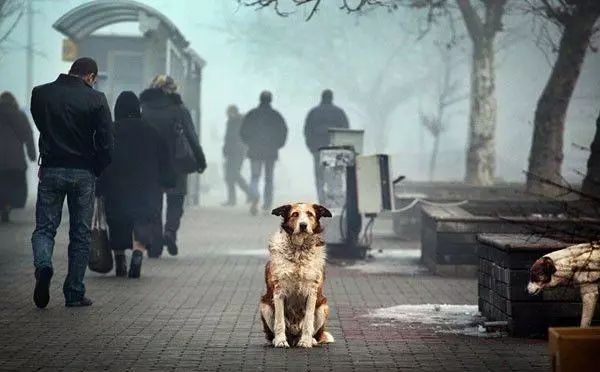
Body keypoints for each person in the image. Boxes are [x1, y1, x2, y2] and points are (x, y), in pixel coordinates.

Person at [30, 57, 113, 308]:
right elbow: (107, 140)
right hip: (83, 172)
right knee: (80, 234)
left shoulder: (41, 93)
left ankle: (43, 266)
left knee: (44, 228)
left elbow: (41, 125)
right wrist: (97, 166)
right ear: (90, 76)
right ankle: (74, 292)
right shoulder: (96, 99)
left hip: (51, 168)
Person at [96, 92, 176, 278]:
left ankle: (120, 260)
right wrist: (168, 181)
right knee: (143, 221)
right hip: (146, 189)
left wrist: (98, 187)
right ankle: (138, 254)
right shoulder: (151, 131)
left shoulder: (110, 131)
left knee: (117, 222)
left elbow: (100, 161)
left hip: (116, 187)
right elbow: (165, 161)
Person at [140, 75, 206, 257]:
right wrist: (200, 160)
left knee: (154, 203)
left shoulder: (144, 108)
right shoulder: (179, 109)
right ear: (172, 89)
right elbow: (191, 136)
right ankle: (170, 232)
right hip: (177, 163)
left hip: (151, 164)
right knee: (176, 201)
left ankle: (155, 244)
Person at [240, 91, 288, 216]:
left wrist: (248, 142)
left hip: (255, 149)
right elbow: (283, 131)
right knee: (269, 178)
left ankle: (254, 195)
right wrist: (279, 144)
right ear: (270, 100)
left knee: (255, 176)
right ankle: (267, 202)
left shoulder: (252, 114)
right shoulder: (276, 115)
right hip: (271, 151)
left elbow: (243, 130)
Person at [304, 89, 349, 204]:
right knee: (335, 176)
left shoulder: (313, 112)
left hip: (318, 149)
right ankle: (335, 201)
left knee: (320, 177)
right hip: (335, 149)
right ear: (331, 98)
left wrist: (311, 147)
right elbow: (345, 130)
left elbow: (307, 131)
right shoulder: (339, 112)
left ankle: (322, 201)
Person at [0, 91, 36, 223]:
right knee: (13, 186)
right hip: (15, 161)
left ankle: (2, 205)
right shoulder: (20, 116)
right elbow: (28, 136)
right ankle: (7, 206)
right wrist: (32, 155)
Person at [222, 105, 250, 206]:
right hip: (232, 152)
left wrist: (227, 149)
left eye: (228, 112)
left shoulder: (238, 122)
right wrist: (225, 150)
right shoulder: (232, 121)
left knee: (233, 175)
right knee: (230, 176)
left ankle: (249, 193)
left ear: (233, 112)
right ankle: (232, 199)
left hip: (237, 152)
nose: (227, 114)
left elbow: (233, 138)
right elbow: (228, 138)